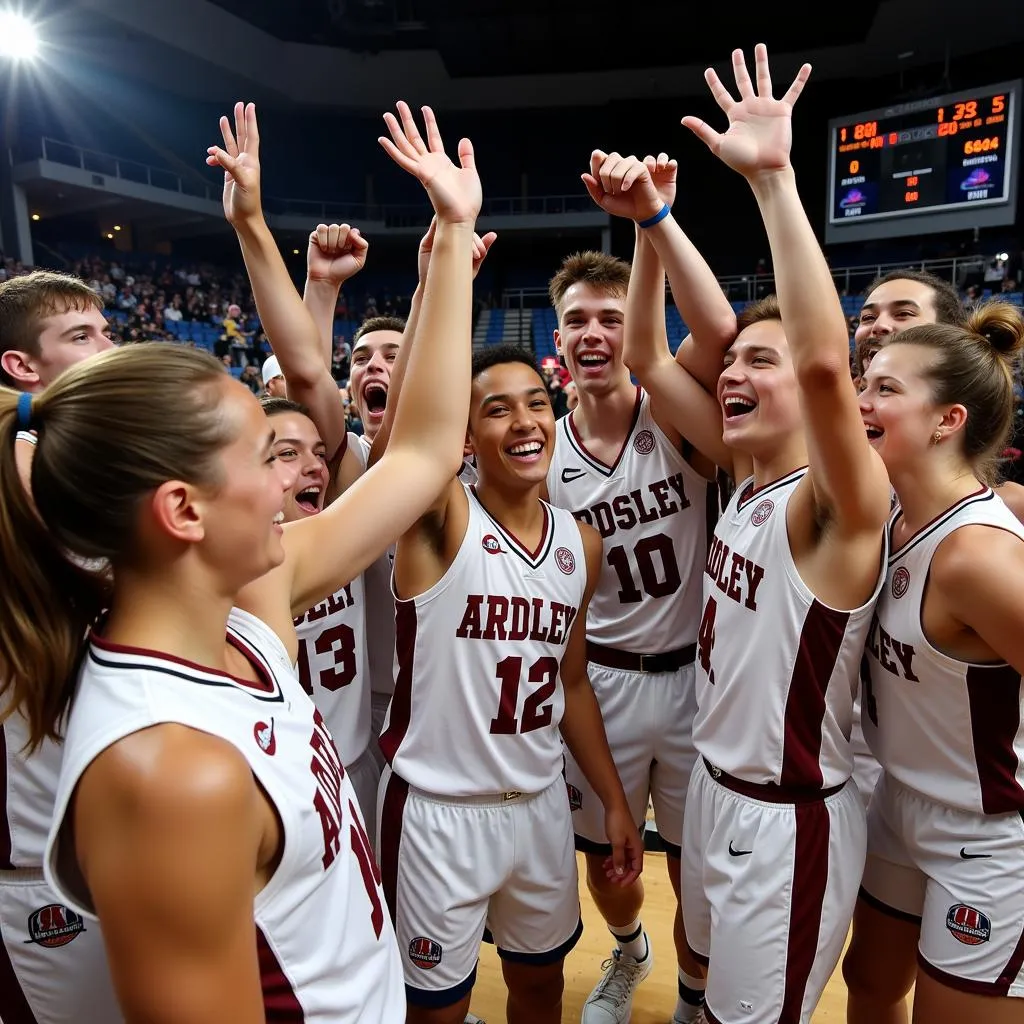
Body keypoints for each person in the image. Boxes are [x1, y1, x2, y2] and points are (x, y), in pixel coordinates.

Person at [0, 97, 481, 1022]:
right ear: (181, 510)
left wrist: (454, 234)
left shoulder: (249, 611)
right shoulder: (167, 772)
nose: (295, 480)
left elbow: (421, 456)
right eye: (265, 456)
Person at [626, 45, 891, 1022]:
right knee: (694, 992)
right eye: (731, 358)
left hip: (788, 824)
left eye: (757, 361)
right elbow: (651, 356)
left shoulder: (836, 508)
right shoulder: (742, 477)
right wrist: (649, 223)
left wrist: (774, 183)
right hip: (709, 792)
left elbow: (827, 367)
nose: (731, 372)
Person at [374, 332, 642, 1022]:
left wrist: (612, 798)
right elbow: (405, 447)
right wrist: (444, 277)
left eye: (536, 403)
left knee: (539, 991)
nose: (525, 422)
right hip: (438, 810)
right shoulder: (440, 518)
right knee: (434, 1009)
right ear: (462, 439)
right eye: (496, 410)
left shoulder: (580, 542)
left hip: (539, 806)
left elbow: (572, 682)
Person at [545, 158, 734, 1022]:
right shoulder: (535, 450)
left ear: (633, 333)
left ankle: (694, 995)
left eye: (610, 318)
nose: (593, 332)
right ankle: (630, 951)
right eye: (576, 319)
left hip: (699, 677)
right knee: (608, 863)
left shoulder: (677, 409)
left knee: (701, 863)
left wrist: (650, 221)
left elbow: (715, 327)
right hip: (603, 679)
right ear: (558, 339)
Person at [843, 303, 1024, 1024]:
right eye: (865, 382)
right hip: (900, 800)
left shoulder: (978, 555)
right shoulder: (889, 512)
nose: (862, 400)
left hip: (988, 826)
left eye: (886, 389)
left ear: (947, 421)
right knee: (872, 983)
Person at [0, 270, 121, 1022]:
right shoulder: (18, 475)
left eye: (108, 332)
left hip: (143, 848)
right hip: (39, 875)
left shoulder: (114, 477)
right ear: (21, 366)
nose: (109, 348)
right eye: (82, 337)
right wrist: (27, 419)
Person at [261, 395, 381, 845]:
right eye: (288, 453)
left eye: (318, 452)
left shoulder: (337, 531)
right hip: (283, 787)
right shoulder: (235, 566)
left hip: (354, 762)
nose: (315, 465)